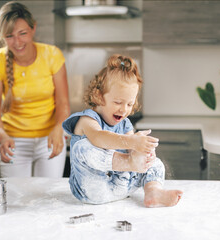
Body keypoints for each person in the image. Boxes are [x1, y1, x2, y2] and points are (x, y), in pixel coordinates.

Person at [63, 54, 183, 207]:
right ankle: (129, 164)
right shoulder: (88, 120)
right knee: (82, 148)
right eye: (118, 102)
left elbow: (132, 152)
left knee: (155, 163)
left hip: (123, 186)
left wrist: (141, 153)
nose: (124, 109)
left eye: (129, 104)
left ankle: (153, 192)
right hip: (93, 189)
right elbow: (99, 137)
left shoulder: (125, 124)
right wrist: (130, 146)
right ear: (99, 96)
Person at [0, 1, 70, 178]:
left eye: (22, 33)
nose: (17, 42)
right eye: (9, 36)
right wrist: (2, 137)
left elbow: (63, 103)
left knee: (47, 197)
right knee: (16, 200)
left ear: (33, 28)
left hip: (50, 138)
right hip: (13, 142)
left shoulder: (52, 55)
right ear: (2, 36)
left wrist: (58, 128)